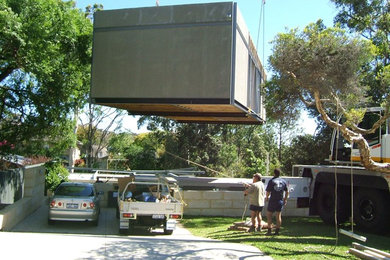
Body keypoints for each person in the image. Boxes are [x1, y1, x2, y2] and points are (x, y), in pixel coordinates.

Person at [265, 168, 289, 236]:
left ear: (274, 173)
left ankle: (269, 230)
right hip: (280, 200)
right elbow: (287, 191)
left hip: (273, 200)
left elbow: (268, 191)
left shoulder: (271, 181)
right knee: (278, 216)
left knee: (269, 215)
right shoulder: (283, 181)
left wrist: (267, 197)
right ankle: (277, 231)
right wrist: (285, 199)